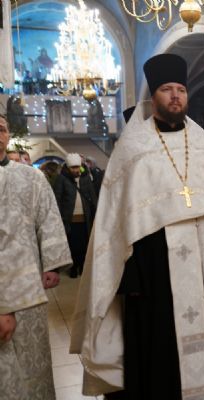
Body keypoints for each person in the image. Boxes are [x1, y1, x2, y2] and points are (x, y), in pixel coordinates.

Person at [69, 53, 204, 400]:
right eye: (166, 89)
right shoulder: (134, 149)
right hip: (156, 275)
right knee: (162, 356)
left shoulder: (203, 145)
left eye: (181, 89)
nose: (175, 96)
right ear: (154, 97)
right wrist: (132, 280)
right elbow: (118, 222)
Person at [0, 114, 72, 399]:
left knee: (33, 367)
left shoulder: (31, 177)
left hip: (29, 287)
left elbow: (49, 219)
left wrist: (52, 263)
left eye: (1, 129)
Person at [53, 153, 98, 278]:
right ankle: (73, 267)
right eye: (73, 167)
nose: (76, 170)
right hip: (69, 219)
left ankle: (82, 265)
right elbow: (57, 198)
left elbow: (92, 196)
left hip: (85, 218)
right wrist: (58, 217)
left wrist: (97, 212)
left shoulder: (86, 178)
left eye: (77, 167)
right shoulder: (62, 179)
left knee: (84, 244)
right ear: (68, 168)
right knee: (72, 244)